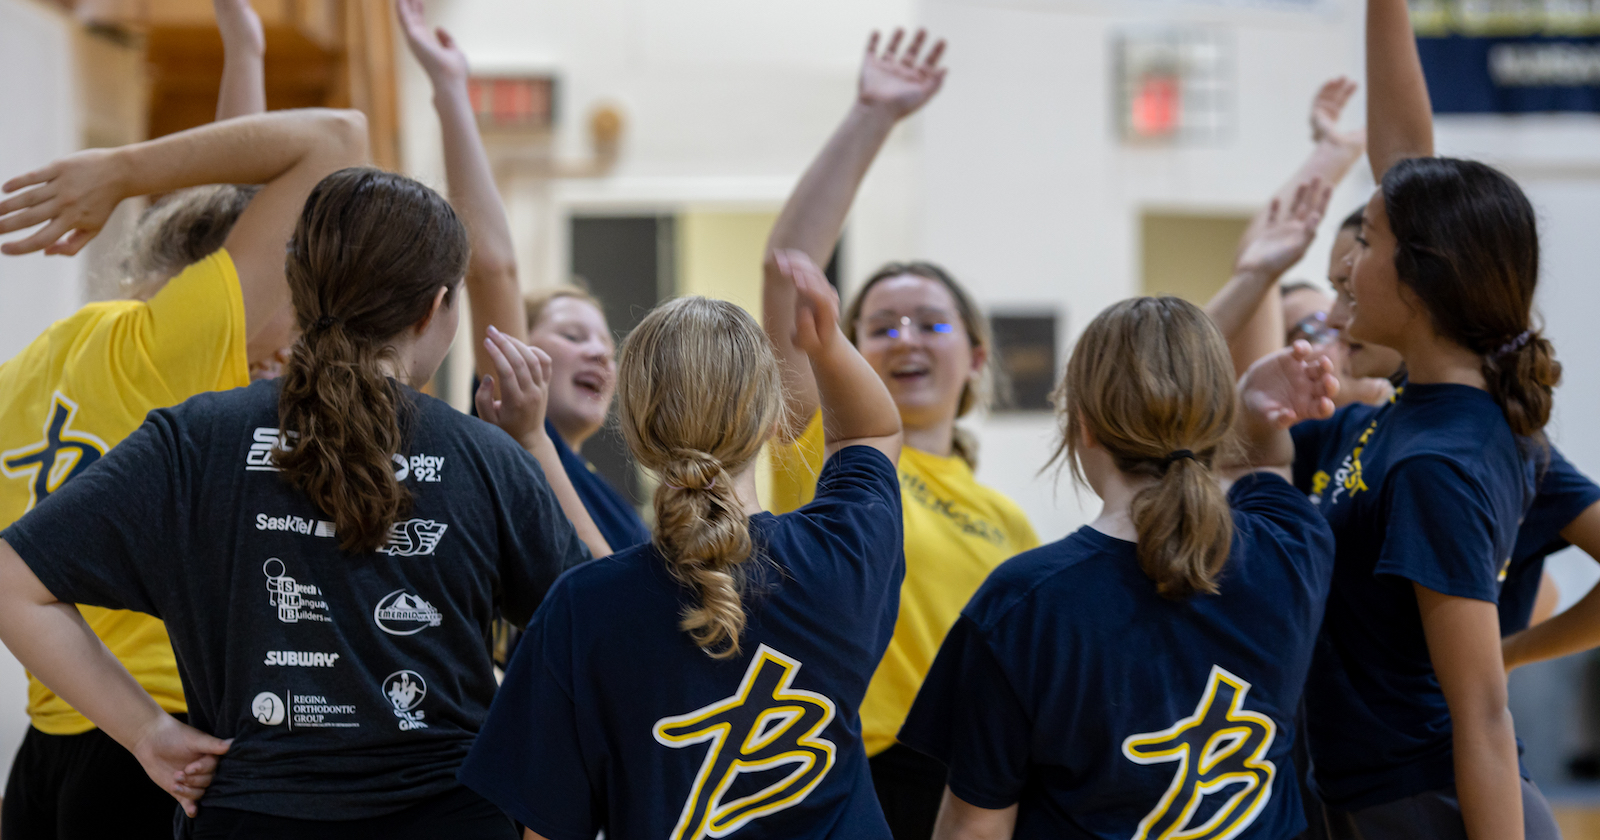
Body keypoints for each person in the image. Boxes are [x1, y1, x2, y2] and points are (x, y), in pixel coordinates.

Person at [0, 161, 604, 838]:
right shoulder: (487, 459)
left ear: (300, 286)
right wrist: (534, 445)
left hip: (250, 817)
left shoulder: (196, 440)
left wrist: (146, 733)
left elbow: (10, 583)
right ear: (436, 307)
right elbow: (603, 634)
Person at [0, 87, 366, 840]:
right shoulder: (178, 348)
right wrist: (122, 171)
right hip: (166, 746)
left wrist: (247, 56)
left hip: (45, 753)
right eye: (290, 285)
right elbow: (336, 136)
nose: (296, 336)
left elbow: (239, 184)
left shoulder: (35, 369)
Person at [460, 251, 905, 839]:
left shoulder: (580, 609)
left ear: (638, 431)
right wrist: (826, 346)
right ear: (774, 417)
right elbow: (872, 431)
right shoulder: (843, 554)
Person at [899, 297, 1339, 839]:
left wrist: (1246, 399)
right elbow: (1268, 468)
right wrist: (1252, 402)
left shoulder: (1022, 604)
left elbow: (975, 828)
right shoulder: (1293, 544)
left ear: (1083, 424)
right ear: (1218, 422)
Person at [1288, 0, 1564, 836]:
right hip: (1376, 800)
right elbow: (1405, 160)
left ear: (1422, 282)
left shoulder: (1439, 460)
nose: (1343, 263)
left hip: (1430, 811)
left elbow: (1481, 717)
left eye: (1364, 243)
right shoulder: (1435, 410)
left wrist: (1512, 655)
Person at [761, 31, 1038, 837]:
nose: (907, 338)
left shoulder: (1009, 521)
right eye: (880, 326)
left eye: (931, 322)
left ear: (976, 355)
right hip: (856, 771)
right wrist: (872, 116)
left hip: (985, 785)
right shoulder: (829, 459)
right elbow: (788, 275)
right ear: (843, 347)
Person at [395, 0, 617, 557]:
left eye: (607, 345)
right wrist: (451, 91)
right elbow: (494, 265)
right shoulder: (509, 429)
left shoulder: (601, 489)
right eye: (572, 335)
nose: (599, 355)